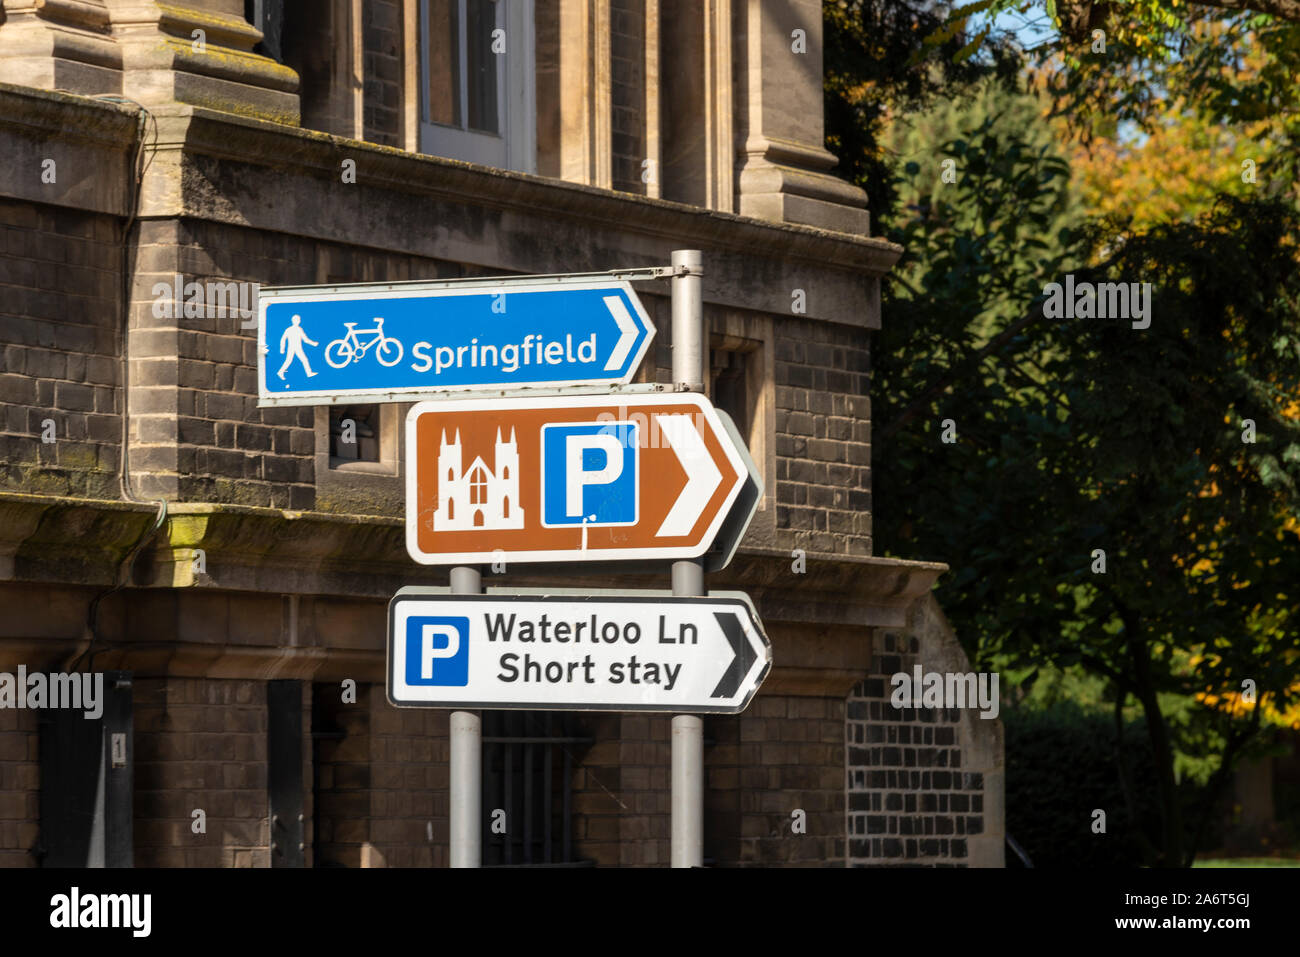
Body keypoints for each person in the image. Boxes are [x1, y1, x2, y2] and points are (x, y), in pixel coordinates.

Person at [278, 314, 318, 379]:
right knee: (291, 360)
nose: (298, 321)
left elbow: (305, 339)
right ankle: (280, 372)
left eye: (298, 320)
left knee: (301, 360)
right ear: (293, 321)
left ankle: (309, 373)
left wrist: (313, 343)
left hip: (296, 348)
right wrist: (282, 349)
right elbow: (283, 339)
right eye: (296, 320)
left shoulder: (297, 329)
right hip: (294, 348)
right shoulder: (292, 329)